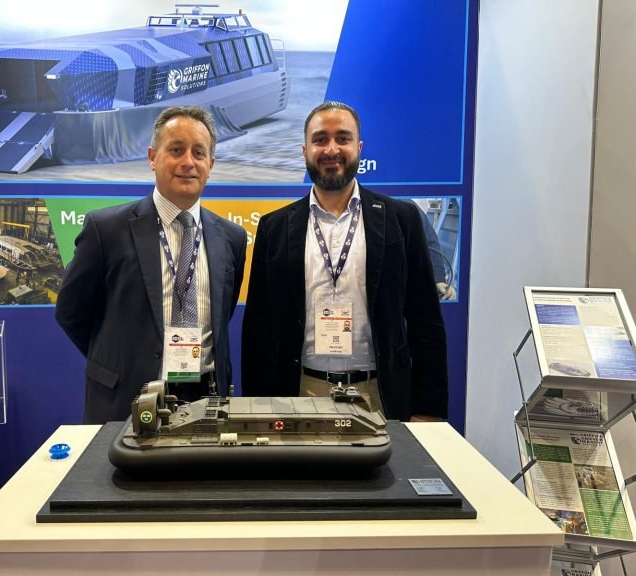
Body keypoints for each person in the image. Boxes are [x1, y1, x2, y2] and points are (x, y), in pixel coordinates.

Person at [241, 101, 447, 421]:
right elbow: (258, 328)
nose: (331, 149)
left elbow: (426, 321)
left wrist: (428, 411)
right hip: (299, 393)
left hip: (379, 397)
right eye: (320, 139)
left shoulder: (401, 220)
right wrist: (256, 409)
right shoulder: (275, 227)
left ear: (359, 148)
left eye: (342, 138)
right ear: (305, 150)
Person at [56, 105, 247, 424]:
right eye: (176, 150)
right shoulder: (106, 230)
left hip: (206, 401)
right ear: (152, 157)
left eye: (199, 153)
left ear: (211, 165)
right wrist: (115, 363)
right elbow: (70, 312)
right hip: (127, 398)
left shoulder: (231, 238)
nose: (188, 162)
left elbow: (221, 315)